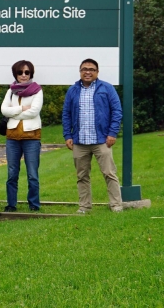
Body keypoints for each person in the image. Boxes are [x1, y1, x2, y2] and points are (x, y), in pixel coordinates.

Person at [62, 58, 123, 214]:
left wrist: (112, 133)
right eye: (84, 69)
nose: (87, 72)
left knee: (109, 173)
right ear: (80, 71)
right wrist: (68, 135)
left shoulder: (107, 88)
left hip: (102, 140)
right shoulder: (73, 90)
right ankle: (84, 207)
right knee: (82, 176)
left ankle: (116, 205)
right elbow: (66, 114)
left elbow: (117, 111)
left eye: (91, 69)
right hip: (80, 141)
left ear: (97, 72)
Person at [1, 60, 43, 212]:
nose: (23, 75)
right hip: (12, 137)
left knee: (32, 174)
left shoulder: (37, 90)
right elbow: (4, 110)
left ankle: (34, 204)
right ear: (15, 74)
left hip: (31, 137)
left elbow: (34, 111)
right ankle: (11, 204)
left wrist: (15, 113)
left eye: (27, 72)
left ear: (31, 73)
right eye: (20, 72)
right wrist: (21, 108)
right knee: (12, 173)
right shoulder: (11, 90)